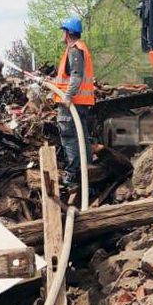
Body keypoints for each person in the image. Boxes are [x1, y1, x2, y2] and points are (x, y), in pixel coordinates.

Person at [52, 16, 95, 189]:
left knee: (70, 138)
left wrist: (67, 97)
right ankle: (89, 176)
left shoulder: (74, 50)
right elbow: (68, 77)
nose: (62, 34)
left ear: (69, 33)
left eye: (63, 31)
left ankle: (72, 177)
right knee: (82, 138)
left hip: (71, 104)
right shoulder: (79, 49)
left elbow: (76, 78)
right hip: (80, 103)